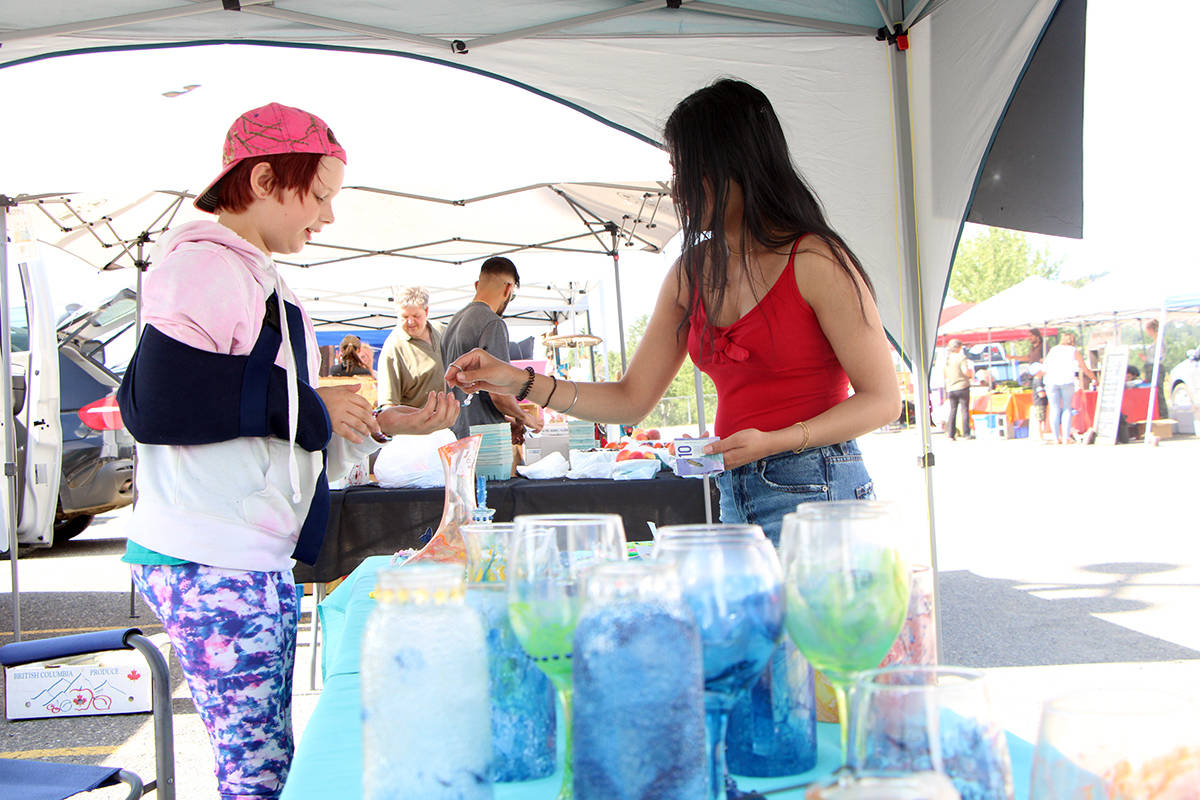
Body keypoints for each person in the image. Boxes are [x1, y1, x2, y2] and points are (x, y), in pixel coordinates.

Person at [115, 102, 458, 799]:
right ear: (266, 177)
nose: (328, 218)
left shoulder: (258, 278)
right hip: (212, 553)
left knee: (266, 758)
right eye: (321, 196)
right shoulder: (206, 265)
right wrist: (311, 407)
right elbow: (161, 403)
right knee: (259, 772)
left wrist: (380, 421)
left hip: (238, 551)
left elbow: (267, 427)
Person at [445, 79, 900, 543]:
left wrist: (778, 440)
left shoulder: (815, 261)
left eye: (687, 170)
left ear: (733, 163)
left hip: (819, 491)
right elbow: (631, 399)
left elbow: (883, 399)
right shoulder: (692, 273)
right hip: (734, 486)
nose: (676, 189)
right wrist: (517, 381)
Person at [441, 257, 543, 439]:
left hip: (456, 433)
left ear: (476, 285)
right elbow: (499, 393)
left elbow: (473, 397)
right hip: (485, 441)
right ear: (508, 289)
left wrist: (504, 420)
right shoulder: (492, 323)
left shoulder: (453, 323)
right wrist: (525, 417)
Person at [378, 285, 446, 409]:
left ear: (426, 311)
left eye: (416, 316)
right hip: (418, 425)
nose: (410, 322)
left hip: (453, 422)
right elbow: (388, 405)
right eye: (404, 317)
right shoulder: (393, 347)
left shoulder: (442, 332)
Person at [1042, 331, 1094, 444]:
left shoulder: (1053, 350)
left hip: (1051, 381)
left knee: (1054, 408)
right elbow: (1084, 368)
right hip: (1067, 381)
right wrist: (1094, 378)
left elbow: (1045, 367)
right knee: (1067, 408)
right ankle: (1066, 437)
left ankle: (1056, 438)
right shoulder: (1073, 351)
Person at [943, 339, 974, 441]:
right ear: (958, 347)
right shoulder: (961, 357)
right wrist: (970, 374)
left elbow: (945, 375)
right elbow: (965, 371)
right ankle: (966, 433)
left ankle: (951, 434)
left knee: (953, 410)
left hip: (951, 388)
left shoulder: (947, 359)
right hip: (962, 386)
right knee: (964, 410)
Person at [1028, 361, 1049, 441]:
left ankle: (1042, 436)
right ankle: (1040, 436)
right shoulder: (1038, 382)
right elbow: (1041, 394)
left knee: (1041, 419)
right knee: (1040, 420)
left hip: (1040, 403)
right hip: (1040, 403)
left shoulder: (1038, 380)